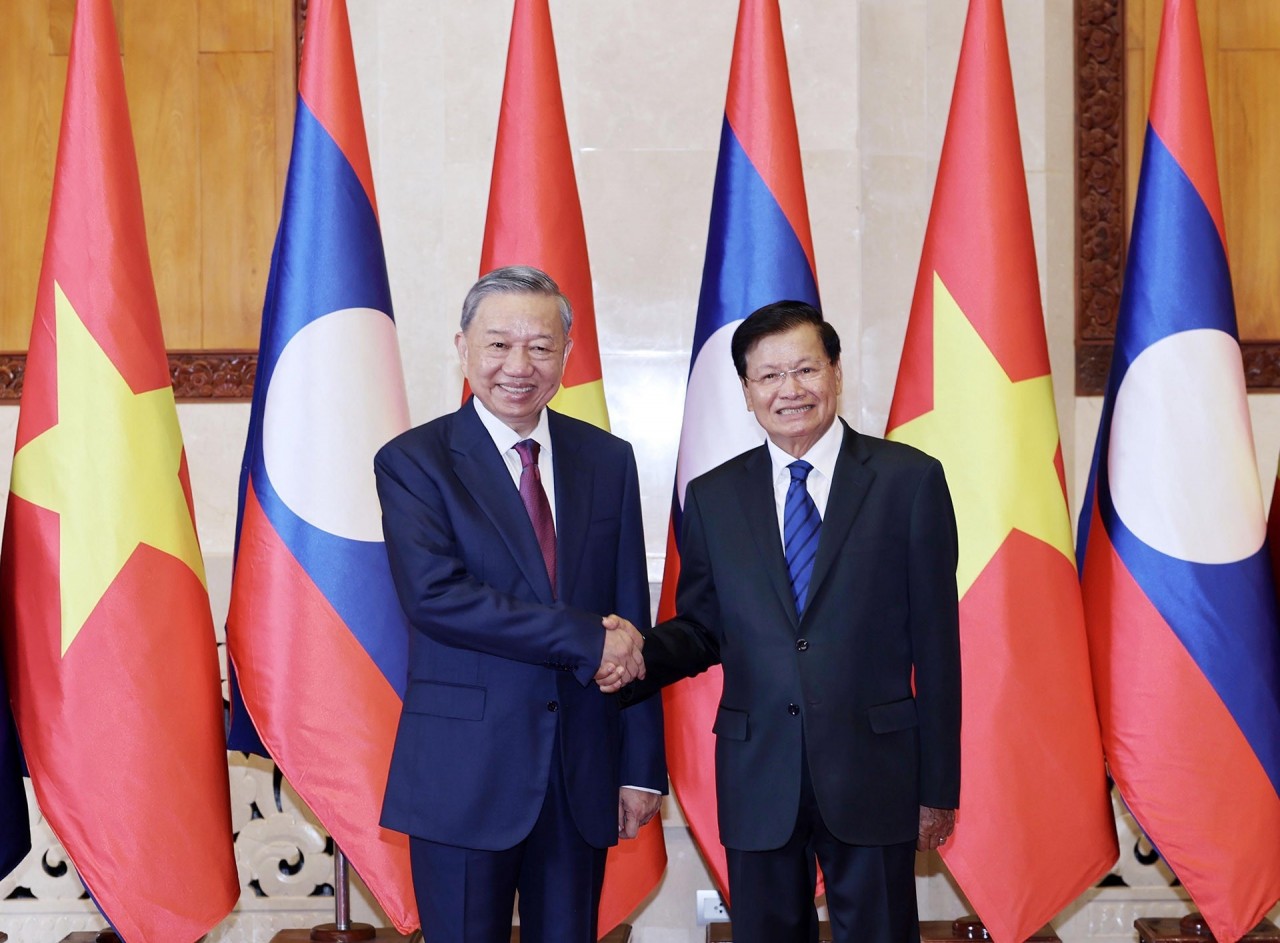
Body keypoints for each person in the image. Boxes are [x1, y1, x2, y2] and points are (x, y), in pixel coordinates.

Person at [612, 300, 960, 943]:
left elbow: (939, 647)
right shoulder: (714, 496)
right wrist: (637, 656)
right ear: (746, 392)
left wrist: (937, 785)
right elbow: (705, 626)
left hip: (875, 770)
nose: (789, 390)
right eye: (768, 376)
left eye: (805, 369)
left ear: (835, 373)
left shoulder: (908, 482)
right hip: (758, 769)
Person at [375, 265, 666, 943]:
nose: (518, 365)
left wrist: (641, 764)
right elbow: (436, 597)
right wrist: (585, 638)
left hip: (580, 770)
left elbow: (630, 617)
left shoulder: (608, 459)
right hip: (464, 775)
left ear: (567, 355)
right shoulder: (415, 462)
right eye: (499, 343)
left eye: (540, 346)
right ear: (463, 347)